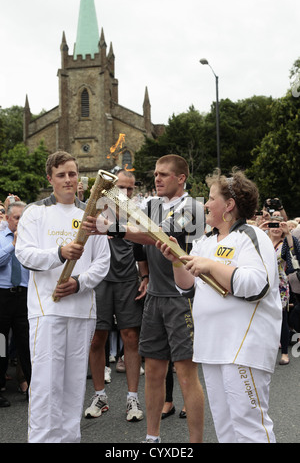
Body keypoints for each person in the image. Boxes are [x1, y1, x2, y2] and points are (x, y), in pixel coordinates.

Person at [83, 154, 205, 443]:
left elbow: (159, 237)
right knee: (153, 370)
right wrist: (146, 274)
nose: (157, 179)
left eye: (164, 174)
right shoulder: (150, 205)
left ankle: (195, 442)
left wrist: (113, 227)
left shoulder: (194, 208)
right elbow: (140, 245)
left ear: (181, 178)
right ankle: (152, 438)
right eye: (155, 174)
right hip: (154, 297)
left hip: (182, 297)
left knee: (186, 373)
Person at [158, 168, 282, 443]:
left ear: (229, 205)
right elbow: (187, 287)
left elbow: (257, 285)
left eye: (211, 198)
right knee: (226, 430)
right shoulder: (205, 242)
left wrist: (212, 265)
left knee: (249, 428)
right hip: (212, 347)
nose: (205, 204)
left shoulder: (252, 236)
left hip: (243, 347)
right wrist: (177, 261)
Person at [15, 151, 110, 443]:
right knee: (46, 384)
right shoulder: (35, 212)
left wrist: (79, 283)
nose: (68, 180)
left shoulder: (92, 216)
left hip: (81, 310)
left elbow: (102, 262)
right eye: (61, 175)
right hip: (48, 310)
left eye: (72, 173)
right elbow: (25, 253)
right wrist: (59, 254)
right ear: (50, 179)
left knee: (72, 387)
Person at [84, 169, 148, 422]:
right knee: (97, 338)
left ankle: (132, 398)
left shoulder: (136, 214)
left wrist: (145, 277)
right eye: (121, 187)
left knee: (131, 337)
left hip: (126, 280)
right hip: (99, 280)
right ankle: (100, 395)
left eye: (130, 189)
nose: (125, 193)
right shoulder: (95, 211)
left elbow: (141, 248)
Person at [0, 202, 31, 408]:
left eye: (23, 218)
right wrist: (13, 245)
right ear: (8, 218)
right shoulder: (2, 238)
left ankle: (32, 388)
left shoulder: (31, 240)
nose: (20, 222)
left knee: (27, 344)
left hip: (24, 296)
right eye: (17, 218)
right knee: (1, 344)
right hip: (3, 296)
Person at [259, 216, 291, 365]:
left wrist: (289, 233)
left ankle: (284, 353)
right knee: (263, 318)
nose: (276, 228)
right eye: (273, 225)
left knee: (282, 318)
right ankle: (265, 352)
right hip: (263, 283)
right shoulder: (262, 241)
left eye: (279, 225)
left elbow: (295, 254)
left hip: (280, 285)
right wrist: (259, 229)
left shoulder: (285, 244)